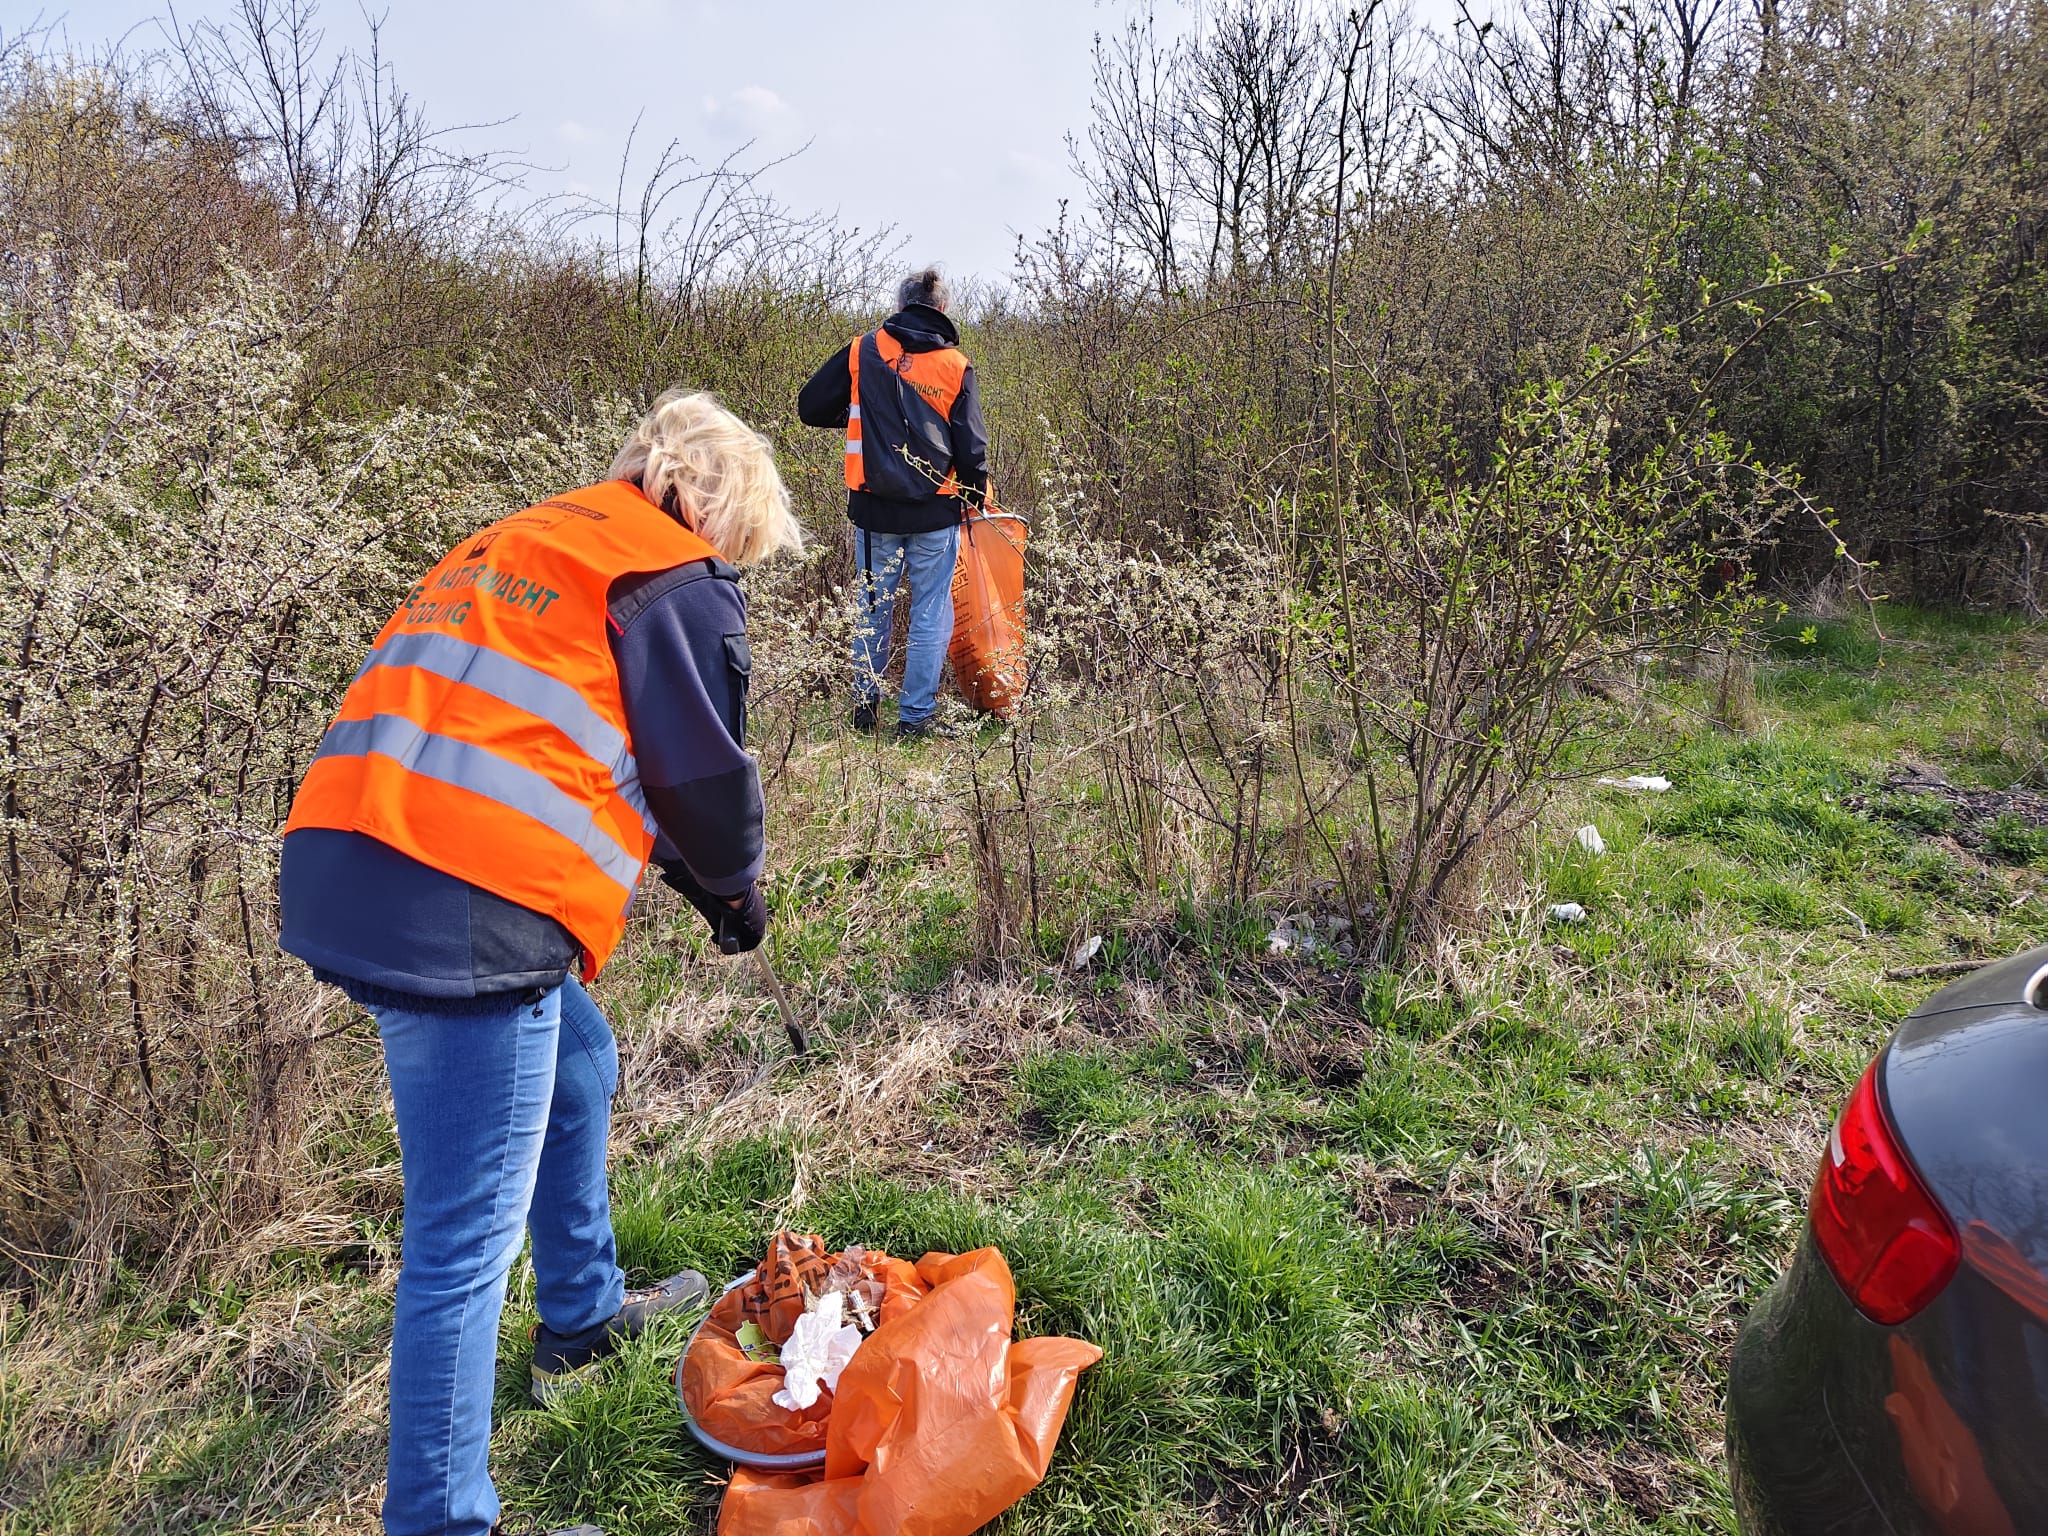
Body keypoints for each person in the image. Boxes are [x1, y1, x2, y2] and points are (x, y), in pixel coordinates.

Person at [276, 391, 803, 1536]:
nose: (731, 569)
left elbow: (532, 732)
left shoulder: (527, 538)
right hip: (464, 902)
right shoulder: (670, 574)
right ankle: (443, 1520)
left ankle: (580, 1316)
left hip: (355, 857)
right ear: (708, 506)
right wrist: (735, 895)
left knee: (576, 1057)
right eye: (739, 548)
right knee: (463, 1244)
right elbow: (699, 780)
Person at [798, 265, 990, 739]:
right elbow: (972, 449)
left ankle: (865, 709)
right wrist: (974, 495)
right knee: (929, 614)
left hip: (872, 510)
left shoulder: (863, 351)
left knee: (871, 608)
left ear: (901, 306)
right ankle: (915, 719)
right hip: (935, 513)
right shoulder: (955, 366)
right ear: (941, 309)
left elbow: (809, 407)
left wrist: (856, 412)